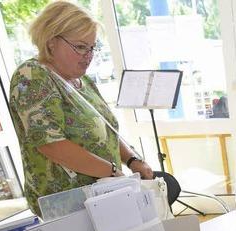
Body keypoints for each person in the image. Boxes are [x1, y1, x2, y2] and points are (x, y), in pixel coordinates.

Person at [9, 1, 153, 215]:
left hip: (103, 195)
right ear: (51, 43)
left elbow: (105, 130)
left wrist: (132, 159)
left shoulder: (81, 81)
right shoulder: (33, 76)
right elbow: (51, 144)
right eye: (80, 47)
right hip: (69, 204)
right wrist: (112, 172)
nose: (89, 55)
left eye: (92, 47)